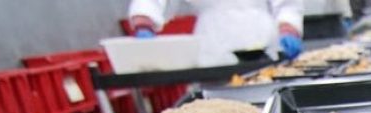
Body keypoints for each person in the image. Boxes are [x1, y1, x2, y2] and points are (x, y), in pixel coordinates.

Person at [129, 0, 306, 63]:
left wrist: (288, 28)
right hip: (212, 41)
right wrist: (144, 20)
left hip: (262, 36)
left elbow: (288, 4)